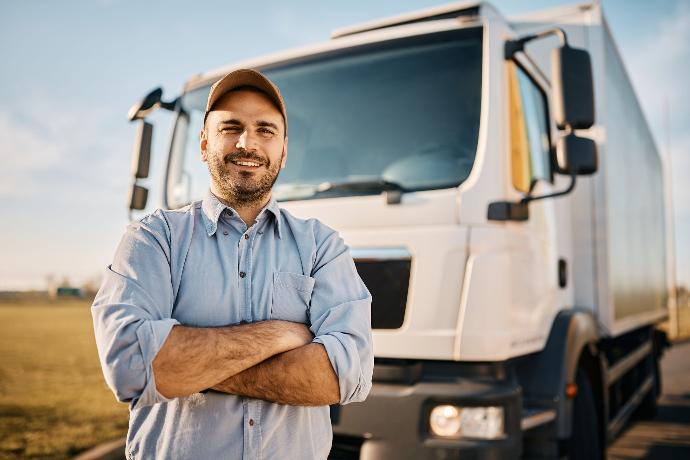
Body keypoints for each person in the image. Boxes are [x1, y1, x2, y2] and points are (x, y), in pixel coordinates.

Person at [92, 68, 374, 460]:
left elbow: (346, 375)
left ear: (284, 150)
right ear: (204, 142)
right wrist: (278, 335)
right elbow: (131, 367)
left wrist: (190, 369)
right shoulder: (154, 239)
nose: (248, 143)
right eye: (231, 127)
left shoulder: (321, 246)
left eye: (265, 130)